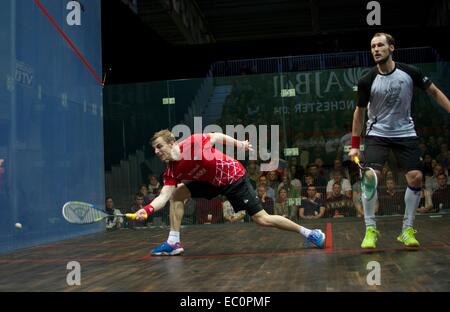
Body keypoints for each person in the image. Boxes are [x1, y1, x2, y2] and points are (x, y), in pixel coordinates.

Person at [135, 130, 326, 255]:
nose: (157, 151)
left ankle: (310, 233)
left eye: (159, 146)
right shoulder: (171, 171)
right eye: (154, 149)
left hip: (233, 177)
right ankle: (173, 242)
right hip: (210, 182)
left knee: (262, 219)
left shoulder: (193, 143)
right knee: (176, 194)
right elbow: (163, 196)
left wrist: (239, 145)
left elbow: (217, 136)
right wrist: (148, 210)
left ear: (171, 142)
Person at [349, 32, 450, 248]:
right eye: (373, 46)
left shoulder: (410, 72)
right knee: (370, 177)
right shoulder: (367, 80)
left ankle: (407, 230)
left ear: (391, 48)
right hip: (377, 134)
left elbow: (433, 91)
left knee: (415, 178)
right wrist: (355, 146)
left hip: (405, 132)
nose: (376, 49)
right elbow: (359, 113)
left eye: (380, 45)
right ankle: (370, 230)